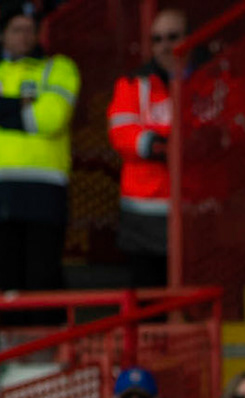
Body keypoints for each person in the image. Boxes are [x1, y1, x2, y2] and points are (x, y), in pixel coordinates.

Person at [0, 3, 79, 298]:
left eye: (30, 30)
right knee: (7, 279)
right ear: (2, 34)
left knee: (42, 276)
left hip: (44, 189)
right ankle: (14, 341)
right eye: (16, 29)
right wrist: (16, 106)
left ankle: (48, 341)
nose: (24, 36)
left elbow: (52, 117)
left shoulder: (58, 68)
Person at [106, 8, 183, 287]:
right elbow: (121, 132)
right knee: (148, 297)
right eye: (157, 39)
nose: (164, 46)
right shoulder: (132, 83)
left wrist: (177, 143)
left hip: (197, 210)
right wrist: (160, 145)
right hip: (145, 211)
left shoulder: (211, 78)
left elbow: (227, 128)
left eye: (173, 37)